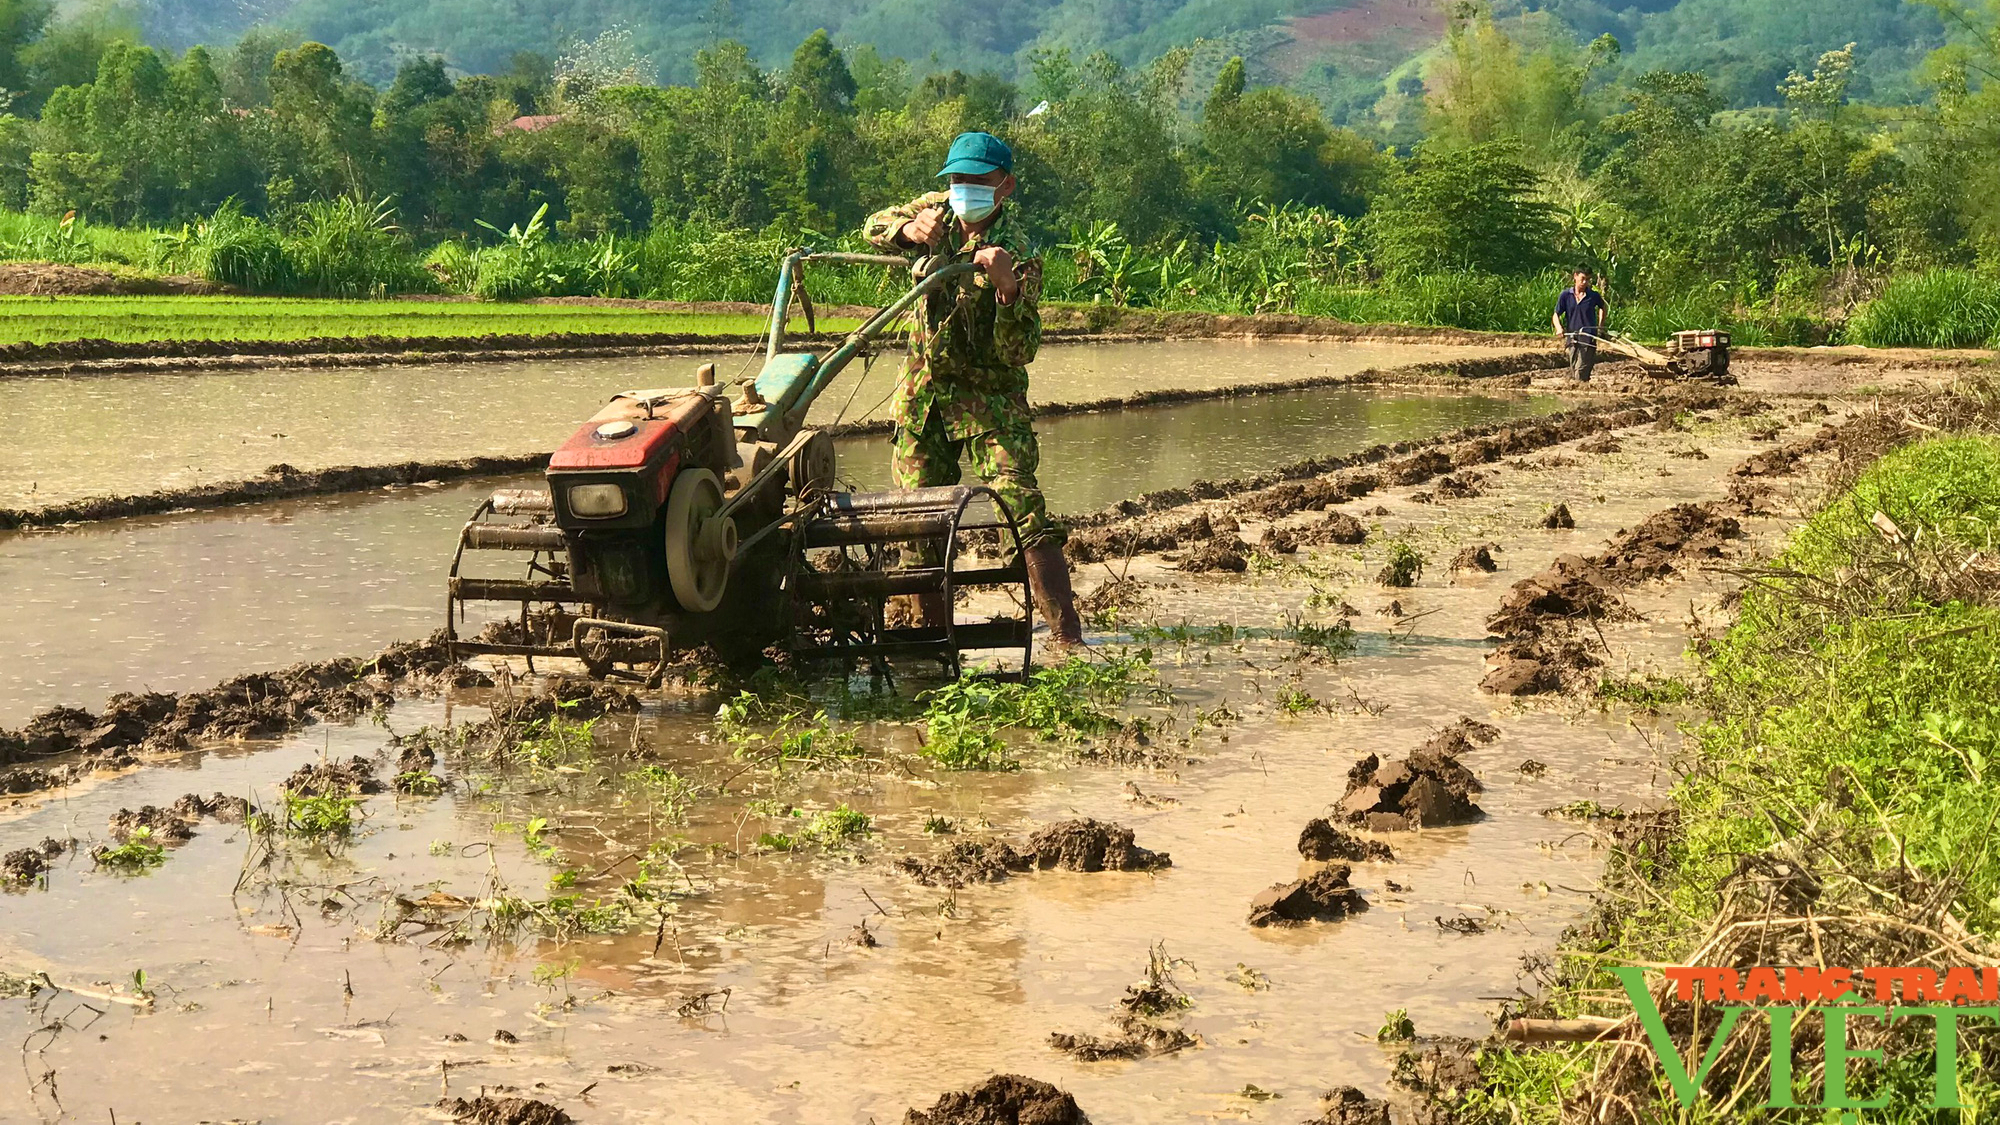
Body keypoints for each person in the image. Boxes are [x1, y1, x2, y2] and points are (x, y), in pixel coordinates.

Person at [862, 130, 1084, 647]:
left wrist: (1007, 289)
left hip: (989, 402)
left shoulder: (1020, 250)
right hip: (923, 398)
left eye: (976, 181)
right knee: (916, 517)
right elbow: (872, 225)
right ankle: (927, 638)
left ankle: (1068, 635)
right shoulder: (935, 211)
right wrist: (908, 230)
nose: (963, 190)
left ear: (1003, 186)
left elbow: (1019, 350)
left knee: (1021, 503)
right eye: (956, 179)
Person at [1553, 268, 1607, 382]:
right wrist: (1559, 328)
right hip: (1572, 337)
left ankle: (1580, 394)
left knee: (1580, 371)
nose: (1584, 282)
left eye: (1587, 280)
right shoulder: (1566, 295)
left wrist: (1600, 326)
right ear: (1575, 276)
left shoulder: (1593, 296)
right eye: (1582, 279)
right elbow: (1556, 314)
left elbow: (1603, 307)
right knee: (1574, 369)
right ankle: (1583, 392)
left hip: (1588, 337)